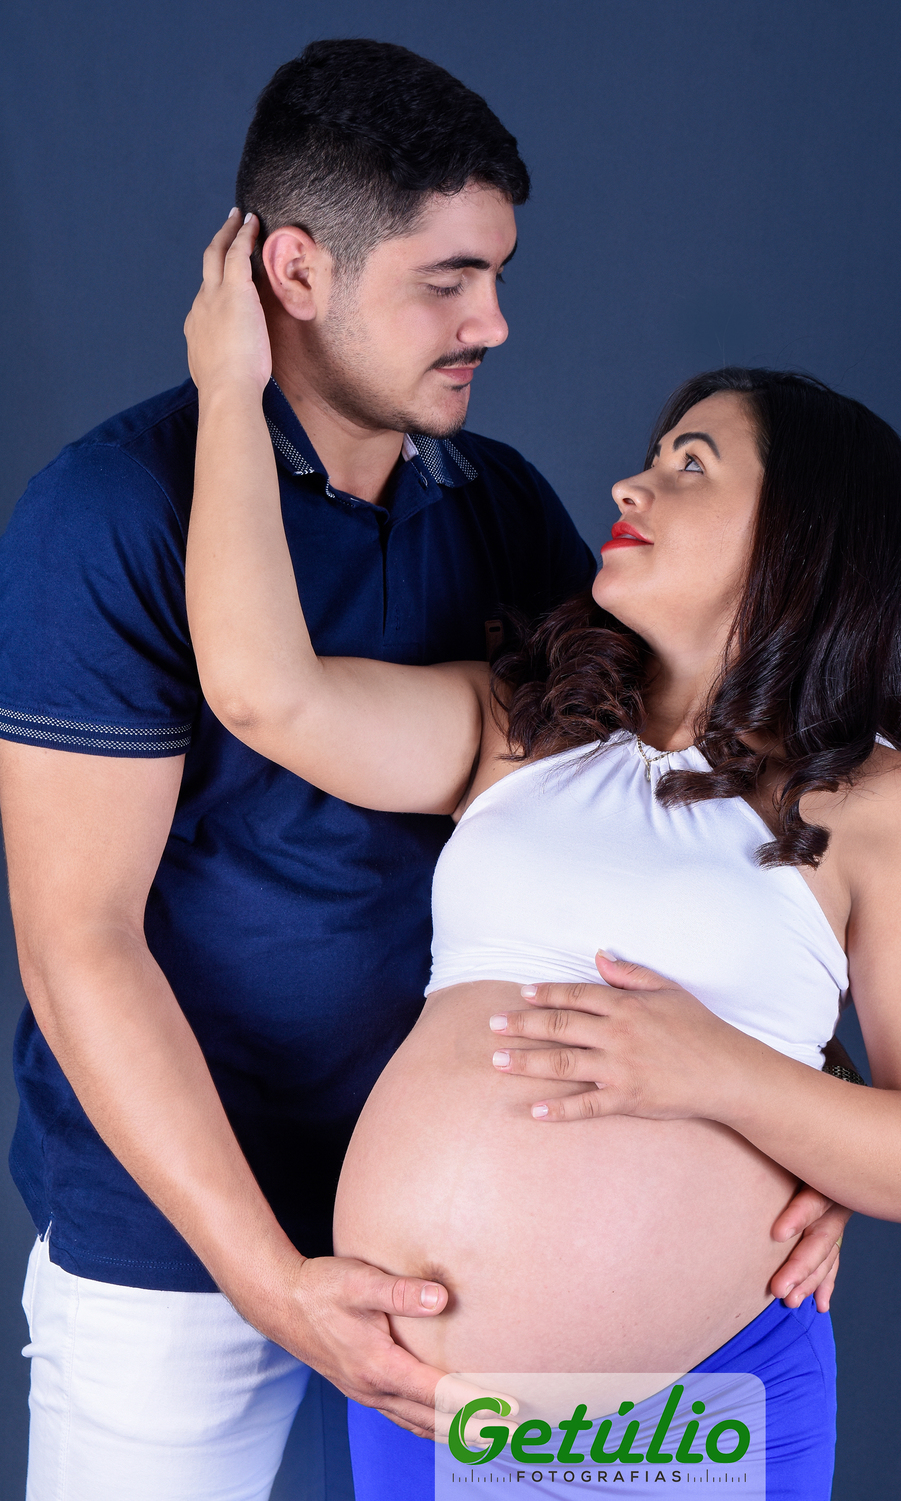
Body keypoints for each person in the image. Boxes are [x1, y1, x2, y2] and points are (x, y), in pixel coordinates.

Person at [0, 39, 847, 1500]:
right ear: (294, 273)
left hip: (460, 1265)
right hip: (182, 1248)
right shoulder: (112, 512)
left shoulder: (495, 504)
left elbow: (678, 793)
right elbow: (80, 939)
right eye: (448, 281)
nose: (494, 323)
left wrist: (816, 1112)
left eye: (499, 276)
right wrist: (268, 1278)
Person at [182, 210, 901, 1499]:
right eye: (652, 457)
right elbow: (263, 695)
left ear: (803, 539)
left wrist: (724, 1075)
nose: (630, 488)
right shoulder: (520, 727)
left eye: (691, 466)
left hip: (695, 1409)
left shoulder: (877, 805)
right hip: (431, 1408)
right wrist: (231, 392)